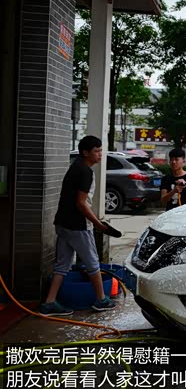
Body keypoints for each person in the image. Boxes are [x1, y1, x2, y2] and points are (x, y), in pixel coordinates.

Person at [39, 135, 116, 316]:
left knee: (62, 265)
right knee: (93, 263)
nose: (100, 154)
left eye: (101, 150)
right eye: (96, 151)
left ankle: (49, 302)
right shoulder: (85, 172)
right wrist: (98, 223)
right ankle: (101, 300)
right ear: (85, 152)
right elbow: (81, 203)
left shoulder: (75, 167)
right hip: (78, 225)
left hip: (63, 223)